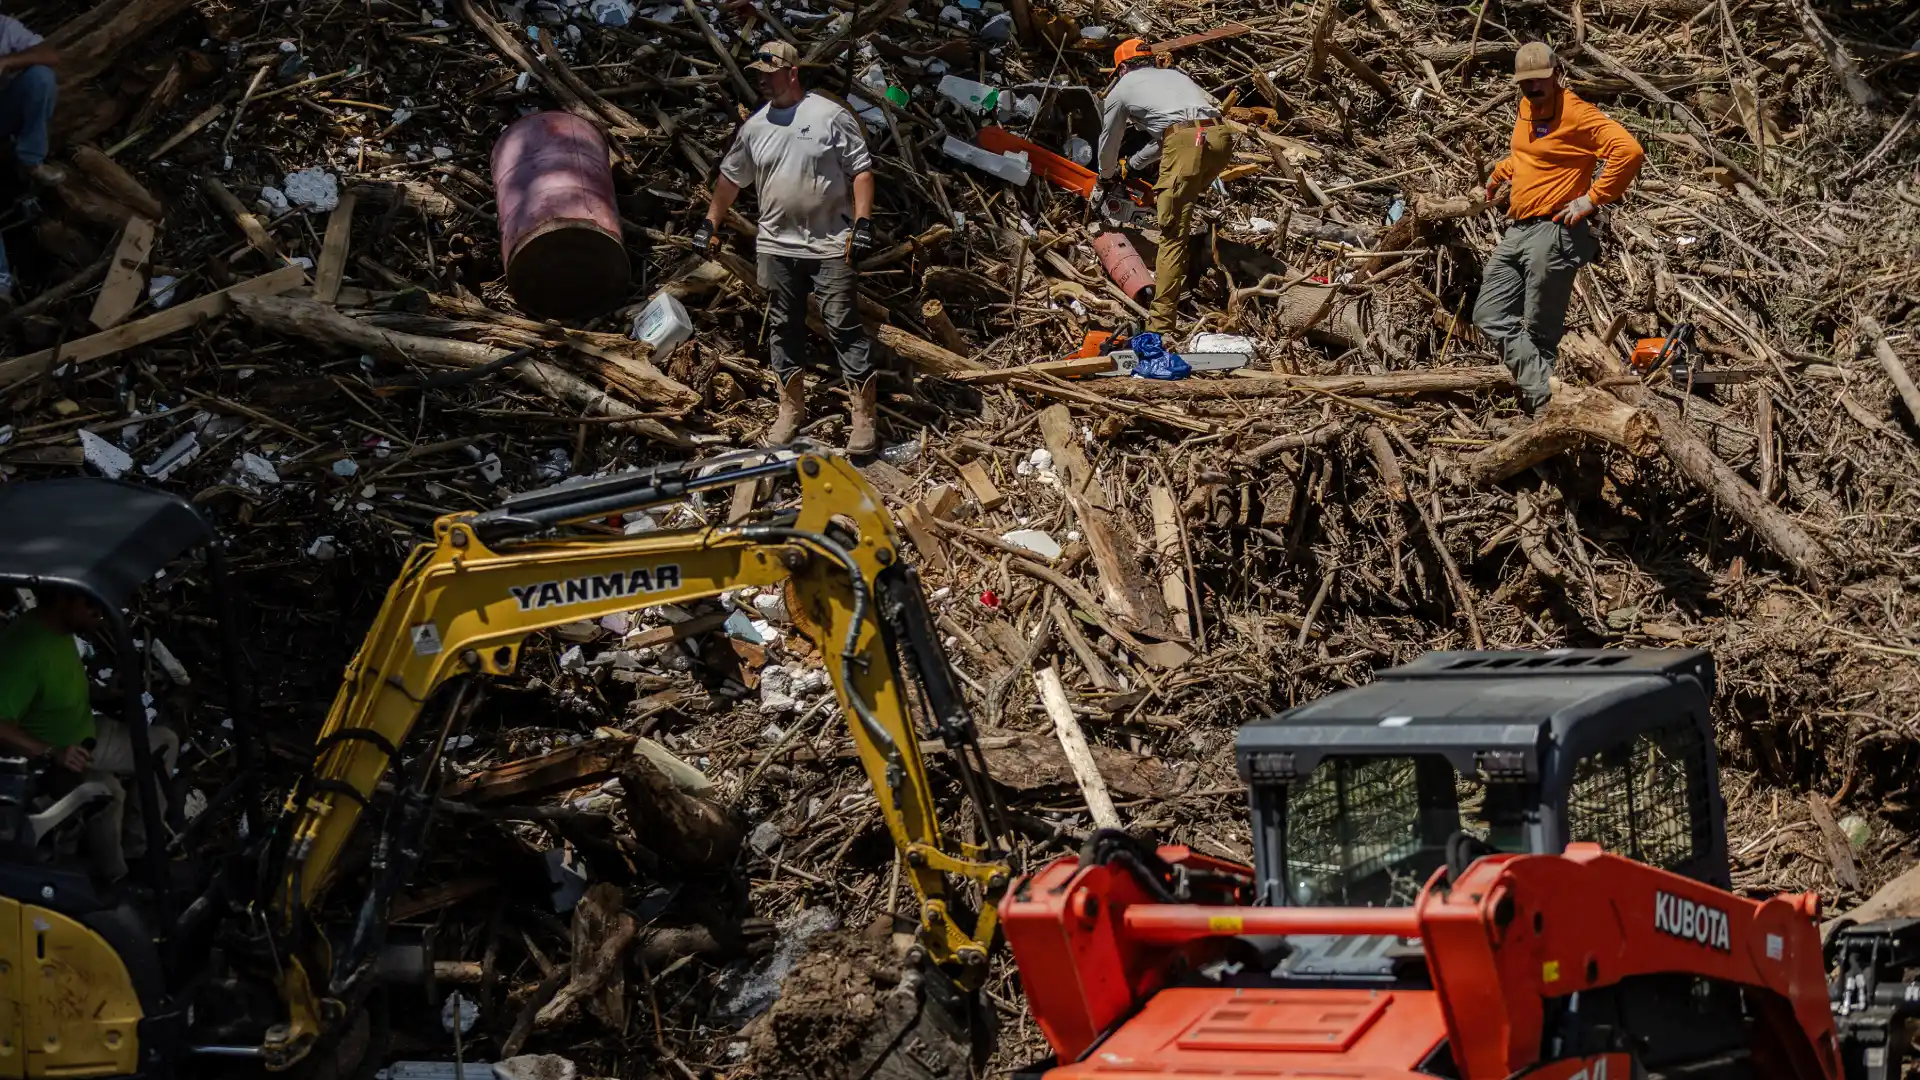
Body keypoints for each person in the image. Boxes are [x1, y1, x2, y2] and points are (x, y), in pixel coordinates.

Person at [695, 40, 879, 455]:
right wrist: (709, 222)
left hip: (831, 242)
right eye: (758, 72)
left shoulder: (829, 116)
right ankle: (790, 411)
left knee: (843, 326)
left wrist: (863, 222)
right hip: (777, 245)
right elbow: (730, 180)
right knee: (783, 327)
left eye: (769, 70)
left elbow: (862, 171)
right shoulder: (755, 127)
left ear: (792, 72)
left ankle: (863, 418)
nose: (762, 78)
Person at [1473, 42, 1644, 417]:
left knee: (1539, 331)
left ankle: (1544, 409)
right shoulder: (1525, 109)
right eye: (1525, 84)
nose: (1532, 89)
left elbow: (1628, 151)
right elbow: (1526, 155)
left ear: (1556, 75)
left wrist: (1594, 197)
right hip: (1517, 230)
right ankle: (1546, 397)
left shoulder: (1578, 114)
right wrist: (1499, 175)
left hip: (1554, 231)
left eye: (1539, 81)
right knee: (1488, 315)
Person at [0, 585, 179, 883]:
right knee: (108, 792)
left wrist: (105, 694)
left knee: (163, 742)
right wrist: (51, 753)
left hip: (85, 733)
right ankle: (116, 880)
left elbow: (56, 691)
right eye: (90, 606)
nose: (98, 615)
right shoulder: (24, 651)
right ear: (61, 599)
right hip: (49, 761)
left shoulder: (59, 629)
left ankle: (139, 851)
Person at [1093, 39, 1233, 334]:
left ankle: (1159, 326)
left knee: (1172, 234)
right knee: (1181, 207)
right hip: (1220, 138)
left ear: (1122, 68)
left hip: (1187, 145)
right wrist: (1132, 166)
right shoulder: (1176, 76)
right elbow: (1170, 135)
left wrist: (1106, 176)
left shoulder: (1123, 87)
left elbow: (1109, 142)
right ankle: (1192, 267)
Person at [0, 14, 64, 312]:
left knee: (41, 77)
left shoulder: (5, 27)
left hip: (4, 114)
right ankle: (1, 282)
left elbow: (50, 54)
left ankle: (30, 158)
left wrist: (7, 62)